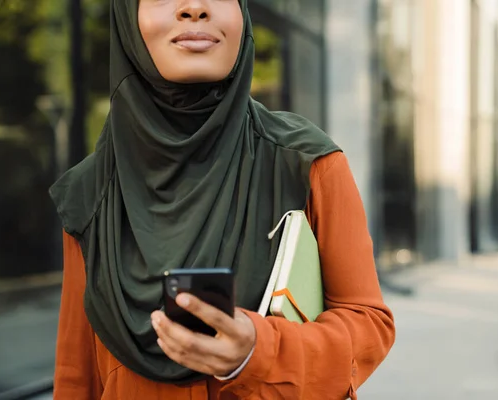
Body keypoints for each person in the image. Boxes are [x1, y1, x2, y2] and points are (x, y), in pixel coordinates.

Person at [49, 0, 395, 398]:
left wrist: (258, 350)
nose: (195, 7)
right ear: (128, 20)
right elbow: (78, 377)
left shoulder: (304, 163)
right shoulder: (91, 191)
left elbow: (369, 325)